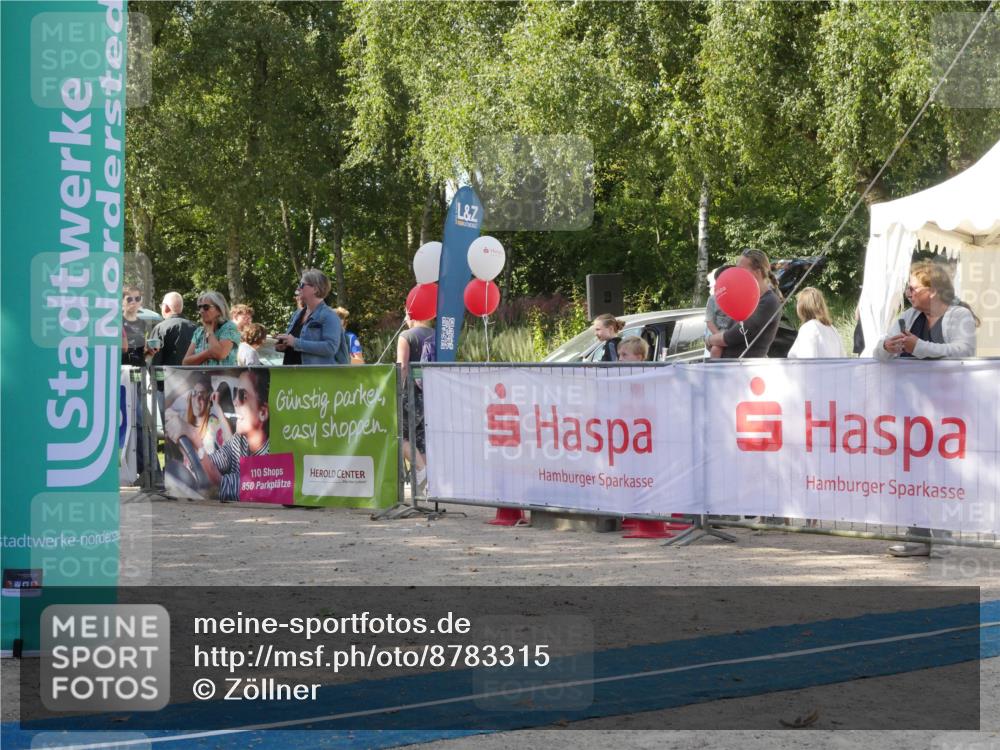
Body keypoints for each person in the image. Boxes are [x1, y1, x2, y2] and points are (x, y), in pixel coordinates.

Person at [875, 261, 979, 557]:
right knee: (911, 472)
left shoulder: (959, 315)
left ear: (932, 291)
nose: (908, 293)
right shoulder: (908, 316)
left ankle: (944, 540)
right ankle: (916, 536)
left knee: (944, 473)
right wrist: (888, 347)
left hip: (951, 411)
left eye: (913, 288)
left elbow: (965, 351)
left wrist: (919, 347)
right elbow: (877, 351)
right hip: (912, 411)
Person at [201, 369, 270, 503]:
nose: (235, 402)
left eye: (242, 395)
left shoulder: (271, 454)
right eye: (235, 393)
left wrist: (194, 441)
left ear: (263, 413)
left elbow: (220, 484)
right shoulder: (239, 441)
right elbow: (214, 461)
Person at [706, 248, 782, 358]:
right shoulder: (745, 300)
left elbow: (734, 336)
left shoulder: (769, 301)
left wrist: (709, 340)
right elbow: (728, 333)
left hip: (744, 371)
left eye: (741, 270)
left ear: (757, 272)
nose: (737, 274)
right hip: (730, 369)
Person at [275, 269, 348, 365]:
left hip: (314, 377)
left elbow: (331, 347)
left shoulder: (329, 316)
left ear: (315, 289)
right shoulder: (298, 314)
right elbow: (295, 343)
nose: (298, 288)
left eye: (302, 285)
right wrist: (284, 345)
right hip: (292, 376)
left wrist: (295, 343)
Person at [397, 315, 435, 490]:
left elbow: (402, 367)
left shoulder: (406, 336)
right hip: (431, 393)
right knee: (421, 439)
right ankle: (426, 487)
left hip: (410, 394)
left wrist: (396, 389)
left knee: (398, 434)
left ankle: (421, 470)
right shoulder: (437, 335)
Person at [182, 291, 241, 366]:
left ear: (219, 309)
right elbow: (185, 363)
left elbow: (219, 354)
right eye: (200, 307)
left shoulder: (229, 328)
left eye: (206, 307)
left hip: (224, 377)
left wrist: (210, 331)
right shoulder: (199, 332)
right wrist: (208, 353)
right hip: (201, 377)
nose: (201, 311)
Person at [787, 287, 845, 359]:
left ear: (802, 307)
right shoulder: (832, 329)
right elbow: (843, 358)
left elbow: (807, 361)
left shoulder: (808, 328)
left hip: (818, 369)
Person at [705, 265, 734, 358]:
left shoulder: (741, 296)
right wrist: (719, 336)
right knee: (716, 349)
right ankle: (714, 371)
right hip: (719, 332)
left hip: (737, 332)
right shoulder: (713, 299)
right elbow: (709, 321)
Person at [121, 285, 147, 366]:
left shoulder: (143, 323)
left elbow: (144, 351)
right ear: (122, 301)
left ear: (140, 301)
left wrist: (150, 351)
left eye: (137, 298)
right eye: (129, 299)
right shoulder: (117, 322)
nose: (133, 302)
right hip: (122, 370)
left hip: (140, 369)